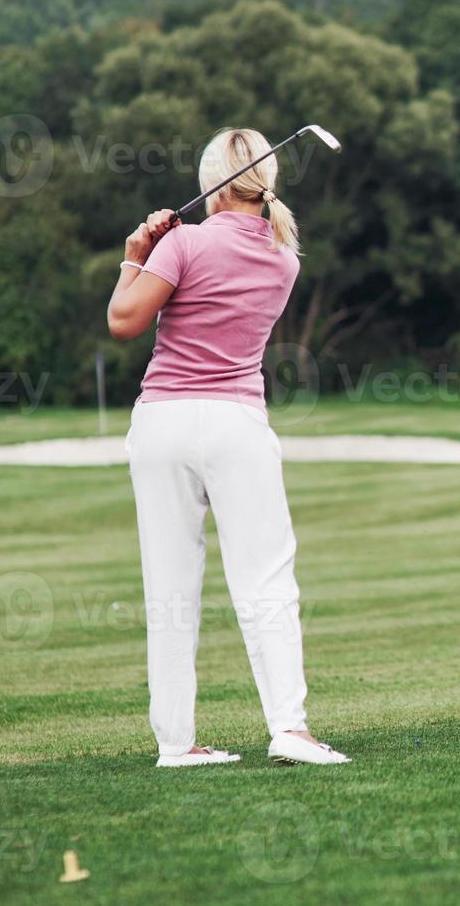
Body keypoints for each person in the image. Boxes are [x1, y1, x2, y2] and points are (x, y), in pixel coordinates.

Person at [107, 127, 348, 766]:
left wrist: (136, 253)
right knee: (266, 577)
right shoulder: (284, 257)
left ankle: (176, 743)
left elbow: (124, 321)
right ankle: (289, 730)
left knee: (170, 585)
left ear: (212, 183)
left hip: (162, 423)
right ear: (267, 182)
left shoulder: (181, 242)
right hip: (235, 425)